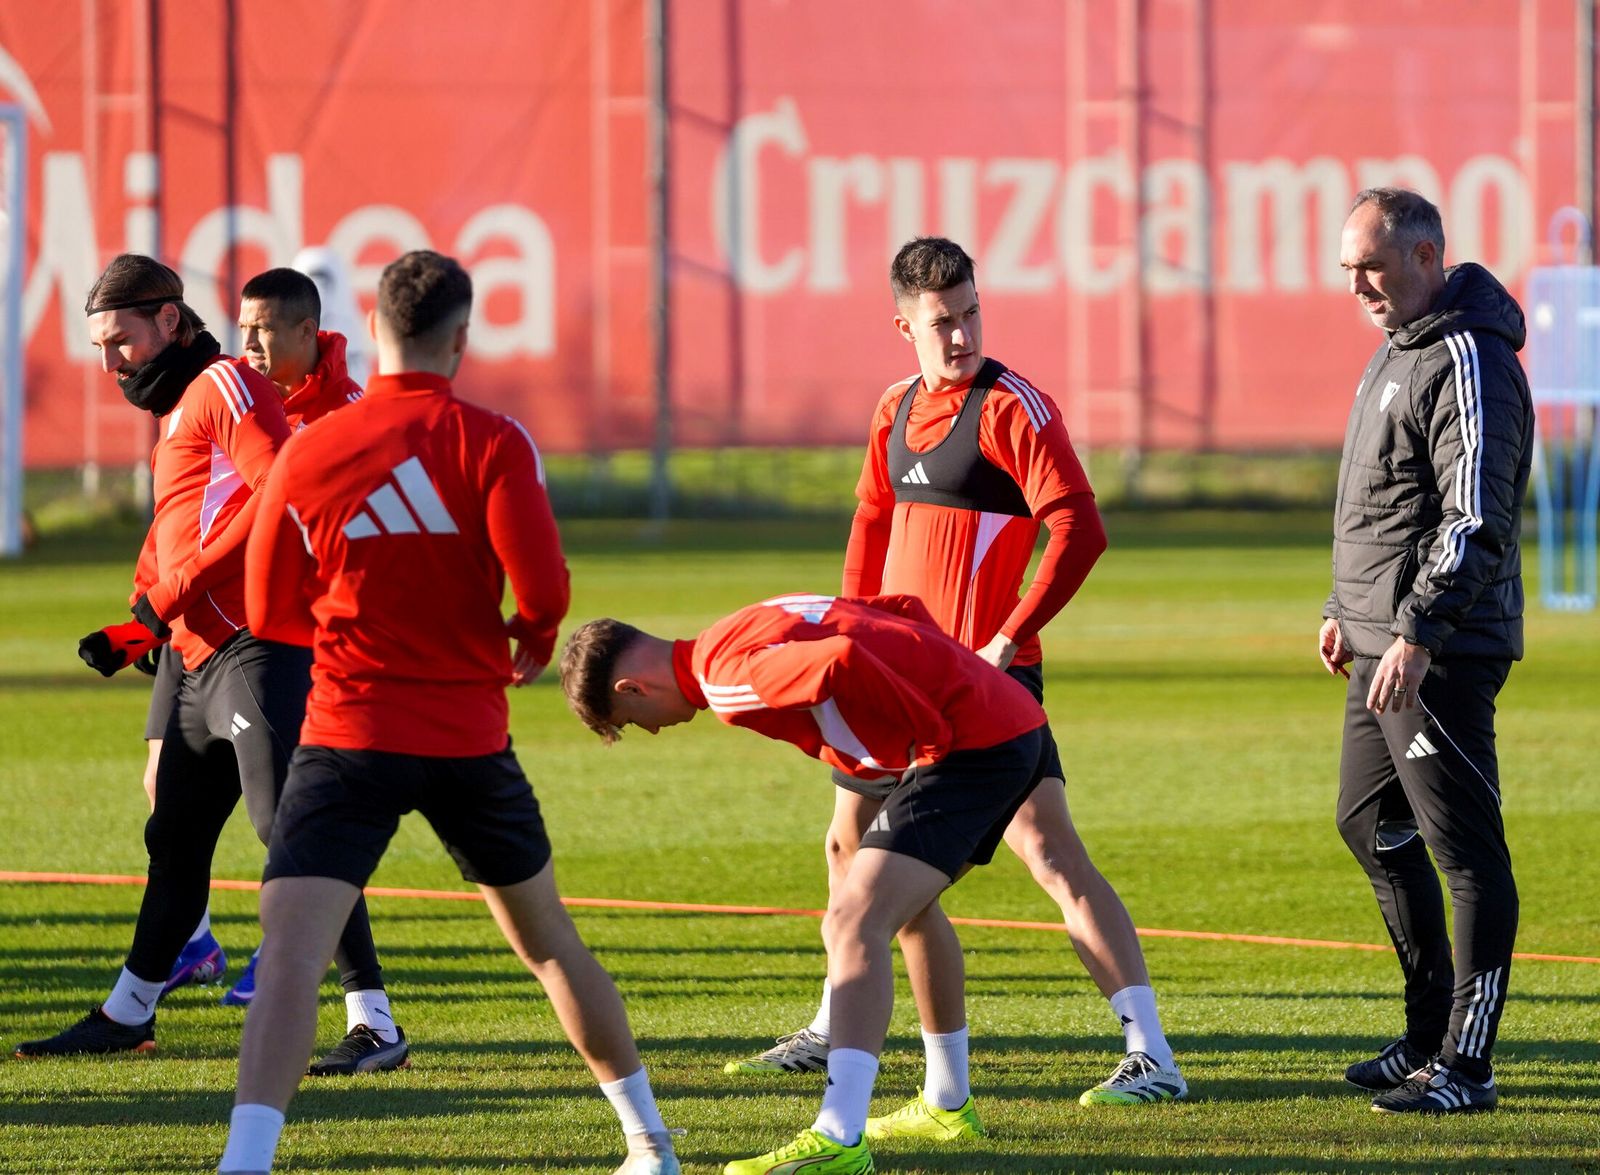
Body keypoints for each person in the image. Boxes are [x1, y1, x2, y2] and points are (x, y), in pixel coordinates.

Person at [218, 250, 678, 1175]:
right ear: (461, 338)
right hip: (469, 738)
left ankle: (246, 1161)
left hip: (349, 733)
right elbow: (544, 590)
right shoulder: (493, 440)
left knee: (293, 957)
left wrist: (349, 627)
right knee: (550, 947)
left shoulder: (310, 449)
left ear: (371, 328)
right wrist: (531, 634)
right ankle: (649, 1143)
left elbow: (266, 607)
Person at [723, 236, 1183, 1116]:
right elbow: (870, 525)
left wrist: (1009, 635)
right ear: (904, 326)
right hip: (897, 683)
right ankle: (834, 1020)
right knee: (845, 842)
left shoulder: (1012, 407)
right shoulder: (893, 408)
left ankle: (1149, 1051)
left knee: (1050, 854)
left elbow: (1079, 528)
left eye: (972, 313)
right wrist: (846, 639)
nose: (963, 334)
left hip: (986, 689)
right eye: (943, 321)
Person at [16, 255, 407, 1079]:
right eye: (100, 345)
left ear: (168, 319)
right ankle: (128, 1012)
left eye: (119, 340)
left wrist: (168, 596)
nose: (110, 360)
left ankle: (374, 1021)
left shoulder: (224, 384)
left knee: (290, 828)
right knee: (175, 836)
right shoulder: (186, 401)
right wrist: (142, 619)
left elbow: (282, 494)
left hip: (256, 646)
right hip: (199, 654)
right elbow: (188, 518)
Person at [561, 592, 1063, 1175]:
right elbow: (899, 607)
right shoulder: (736, 624)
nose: (649, 731)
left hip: (974, 745)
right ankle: (947, 1104)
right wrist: (951, 684)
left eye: (629, 722)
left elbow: (838, 659)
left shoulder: (725, 681)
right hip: (1003, 720)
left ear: (631, 688)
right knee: (906, 907)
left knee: (852, 922)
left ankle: (838, 1137)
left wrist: (928, 732)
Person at [1322, 187, 1533, 1114]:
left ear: (1425, 255)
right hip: (1379, 644)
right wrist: (1343, 607)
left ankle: (1466, 1064)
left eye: (1370, 266)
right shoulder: (1397, 350)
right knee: (1368, 823)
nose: (1357, 286)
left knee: (1466, 853)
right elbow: (1380, 503)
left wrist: (1416, 628)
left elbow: (1473, 517)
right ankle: (1422, 1035)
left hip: (1436, 650)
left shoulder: (1468, 359)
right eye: (1348, 269)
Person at [206, 266, 367, 1008]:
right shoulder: (239, 397)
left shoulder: (348, 415)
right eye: (243, 328)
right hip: (212, 632)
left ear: (307, 331)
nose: (248, 343)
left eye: (263, 329)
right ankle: (188, 944)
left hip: (301, 640)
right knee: (165, 792)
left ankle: (322, 972)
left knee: (290, 812)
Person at [292, 245, 371, 388]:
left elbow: (359, 383)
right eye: (313, 287)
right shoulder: (288, 334)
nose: (320, 294)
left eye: (324, 286)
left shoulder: (349, 331)